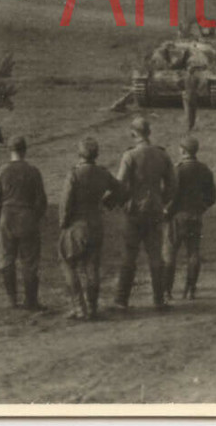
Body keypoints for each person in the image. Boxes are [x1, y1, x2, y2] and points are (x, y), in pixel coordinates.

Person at [113, 116, 177, 311]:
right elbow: (172, 185)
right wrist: (161, 201)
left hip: (133, 213)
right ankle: (159, 299)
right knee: (156, 256)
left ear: (133, 133)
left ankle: (121, 300)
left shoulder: (130, 156)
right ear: (149, 133)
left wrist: (123, 202)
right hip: (154, 211)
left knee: (128, 256)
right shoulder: (162, 155)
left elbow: (120, 184)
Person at [58, 137, 123, 320]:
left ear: (79, 154)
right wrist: (106, 203)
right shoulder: (103, 173)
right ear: (96, 155)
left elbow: (65, 203)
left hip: (76, 226)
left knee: (68, 263)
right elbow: (121, 190)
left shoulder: (74, 174)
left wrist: (63, 223)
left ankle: (79, 307)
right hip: (96, 224)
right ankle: (93, 308)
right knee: (92, 267)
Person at [0, 136, 48, 310]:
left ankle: (12, 300)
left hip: (7, 217)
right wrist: (34, 217)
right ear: (25, 150)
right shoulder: (33, 171)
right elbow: (41, 201)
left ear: (10, 151)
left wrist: (3, 212)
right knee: (29, 261)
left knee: (6, 258)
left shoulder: (2, 171)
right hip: (28, 217)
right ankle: (31, 300)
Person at [162, 136, 216, 300]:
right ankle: (191, 289)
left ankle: (167, 291)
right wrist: (201, 208)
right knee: (193, 253)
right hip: (196, 216)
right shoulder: (204, 169)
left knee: (169, 254)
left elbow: (172, 196)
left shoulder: (177, 170)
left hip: (177, 218)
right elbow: (212, 197)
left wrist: (166, 212)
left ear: (183, 151)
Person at [182, 67, 200, 132]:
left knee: (188, 111)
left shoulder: (185, 78)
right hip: (194, 95)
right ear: (194, 72)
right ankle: (192, 125)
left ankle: (189, 125)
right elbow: (200, 84)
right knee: (193, 111)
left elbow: (180, 84)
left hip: (187, 94)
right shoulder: (196, 78)